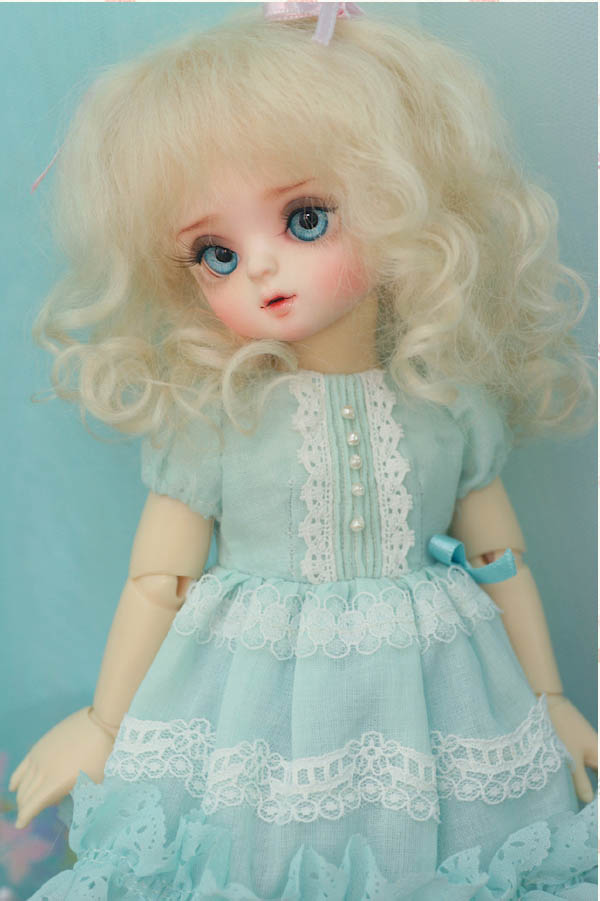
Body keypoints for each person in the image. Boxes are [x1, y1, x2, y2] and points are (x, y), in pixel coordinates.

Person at [11, 6, 597, 898]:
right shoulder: (221, 419)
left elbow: (500, 559)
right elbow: (158, 581)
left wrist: (549, 700)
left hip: (438, 701)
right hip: (257, 706)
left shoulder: (446, 406)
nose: (259, 268)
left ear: (401, 205)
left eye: (307, 218)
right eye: (215, 252)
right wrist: (103, 722)